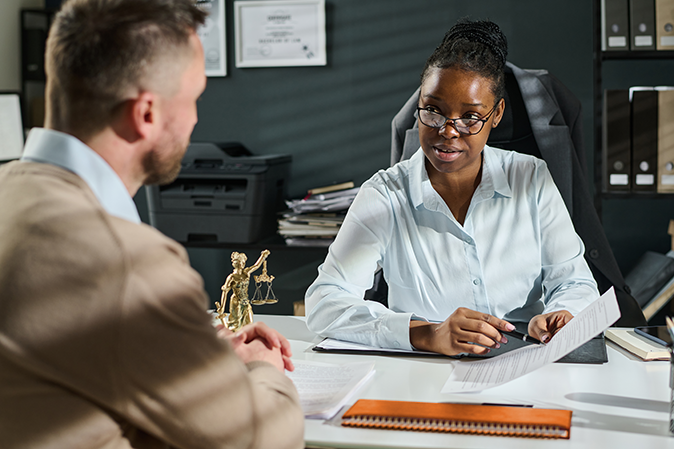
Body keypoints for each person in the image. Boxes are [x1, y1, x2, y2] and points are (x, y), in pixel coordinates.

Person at [0, 1, 303, 448]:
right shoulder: (127, 260)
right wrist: (262, 367)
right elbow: (261, 439)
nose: (197, 117)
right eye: (194, 98)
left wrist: (190, 353)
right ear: (146, 114)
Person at [305, 19, 600, 357]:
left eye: (470, 117)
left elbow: (574, 282)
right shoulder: (385, 195)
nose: (448, 131)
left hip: (525, 360)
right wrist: (427, 333)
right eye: (433, 111)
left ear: (496, 114)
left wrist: (558, 316)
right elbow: (324, 302)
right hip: (424, 371)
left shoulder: (529, 177)